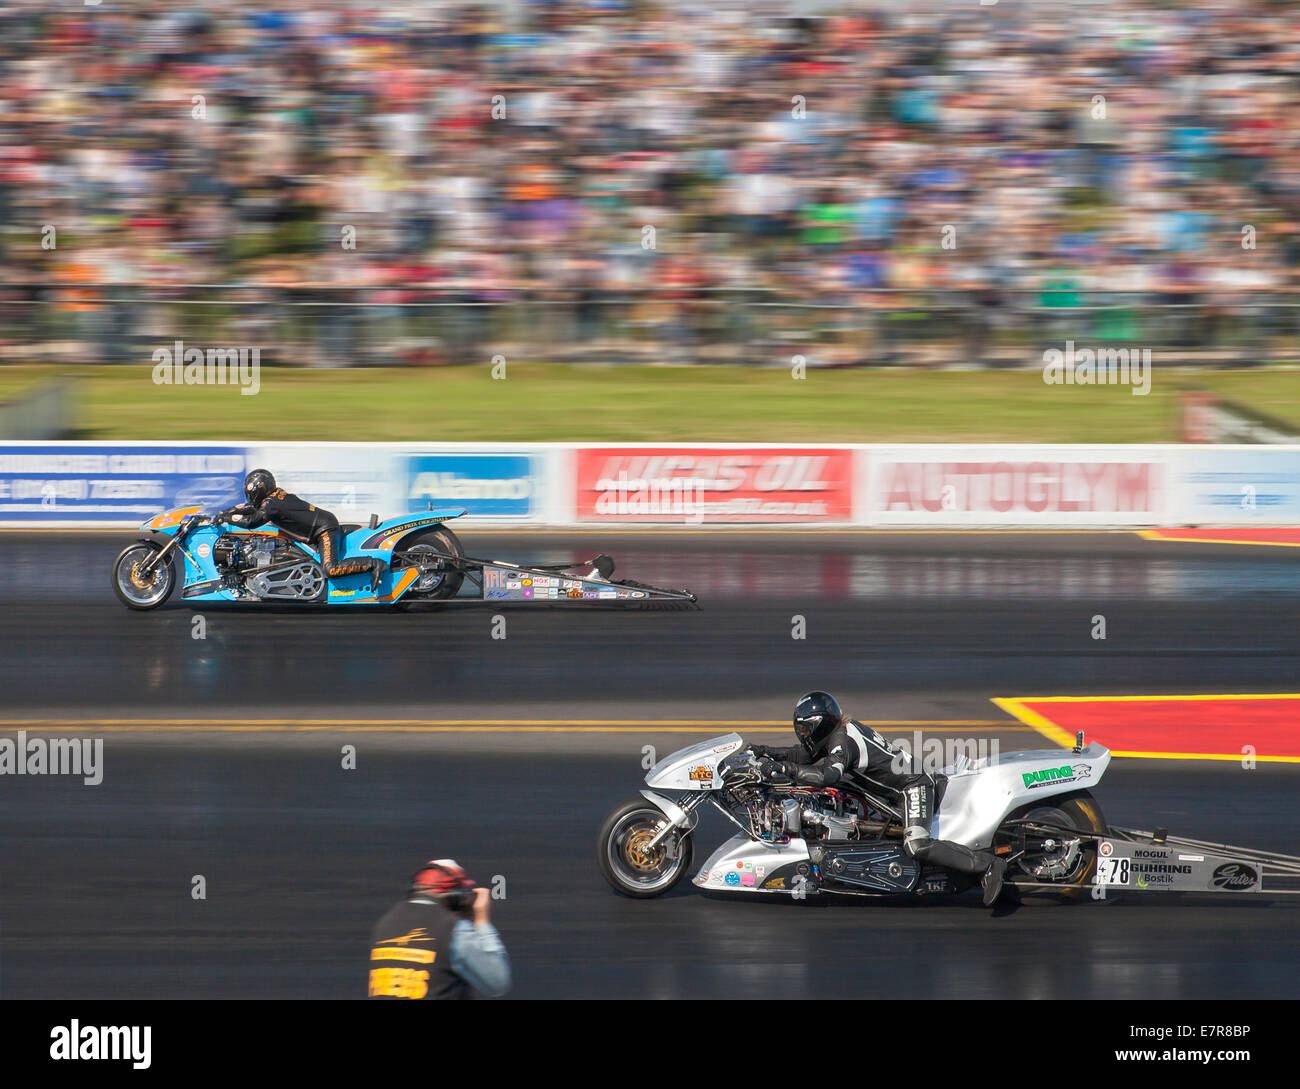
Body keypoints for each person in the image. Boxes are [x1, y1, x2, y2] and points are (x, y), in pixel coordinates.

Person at [751, 691, 1007, 906]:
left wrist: (786, 770)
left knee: (916, 845)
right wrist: (765, 752)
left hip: (913, 785)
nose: (803, 734)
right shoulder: (836, 734)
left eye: (806, 728)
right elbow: (802, 757)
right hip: (893, 794)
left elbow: (828, 774)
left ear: (821, 725)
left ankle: (987, 865)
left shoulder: (843, 742)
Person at [367, 858, 512, 1000]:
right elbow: (497, 982)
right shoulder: (452, 929)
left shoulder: (384, 924)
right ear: (454, 897)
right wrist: (481, 919)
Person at [217, 468, 385, 590]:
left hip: (323, 530)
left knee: (331, 569)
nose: (250, 497)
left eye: (251, 493)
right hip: (323, 522)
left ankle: (373, 564)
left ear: (260, 490)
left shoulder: (271, 504)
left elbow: (253, 521)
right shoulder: (274, 497)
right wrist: (230, 511)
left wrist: (228, 517)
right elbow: (252, 509)